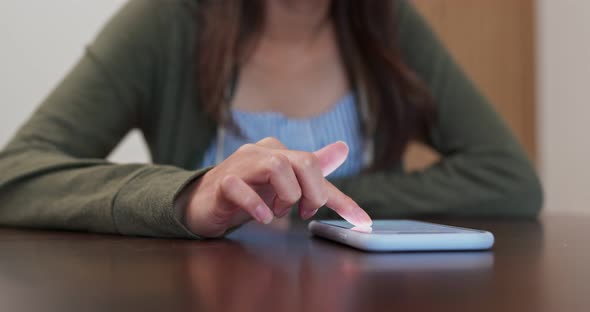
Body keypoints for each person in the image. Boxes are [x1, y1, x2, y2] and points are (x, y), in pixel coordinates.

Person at [0, 0, 543, 239]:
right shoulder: (166, 21)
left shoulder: (388, 23)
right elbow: (15, 175)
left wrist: (320, 200)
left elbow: (510, 180)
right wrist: (189, 195)